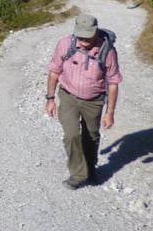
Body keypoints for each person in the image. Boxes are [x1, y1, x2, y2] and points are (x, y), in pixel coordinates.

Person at [45, 13, 122, 189]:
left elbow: (113, 83)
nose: (83, 40)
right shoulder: (65, 44)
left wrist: (110, 113)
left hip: (94, 101)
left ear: (96, 32)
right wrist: (50, 99)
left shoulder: (107, 51)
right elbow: (54, 71)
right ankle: (79, 174)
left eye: (87, 36)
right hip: (68, 96)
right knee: (71, 134)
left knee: (91, 136)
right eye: (80, 36)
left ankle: (90, 167)